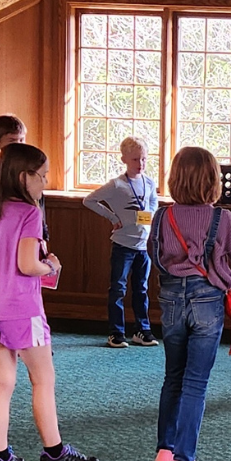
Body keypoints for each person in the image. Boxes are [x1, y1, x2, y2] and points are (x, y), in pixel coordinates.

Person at [0, 144, 98, 461]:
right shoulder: (29, 213)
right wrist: (49, 265)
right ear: (24, 177)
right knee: (43, 380)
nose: (45, 183)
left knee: (2, 380)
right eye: (42, 177)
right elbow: (26, 264)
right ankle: (55, 454)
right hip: (21, 308)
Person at [148, 147, 231, 461]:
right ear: (214, 181)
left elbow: (152, 254)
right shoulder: (223, 219)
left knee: (173, 377)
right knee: (195, 382)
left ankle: (165, 453)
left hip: (170, 298)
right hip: (206, 301)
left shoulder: (161, 216)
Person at [83, 136, 159, 348]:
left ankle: (142, 330)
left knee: (141, 289)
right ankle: (116, 332)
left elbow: (153, 203)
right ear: (124, 159)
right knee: (118, 288)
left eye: (143, 159)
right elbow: (89, 200)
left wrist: (149, 216)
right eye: (135, 159)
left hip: (143, 247)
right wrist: (113, 218)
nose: (140, 164)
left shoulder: (149, 182)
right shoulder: (117, 185)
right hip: (123, 246)